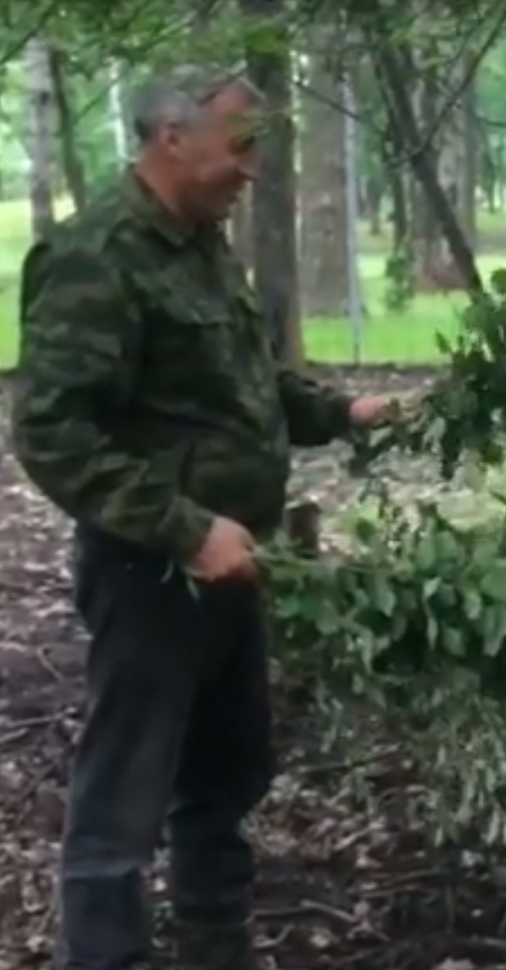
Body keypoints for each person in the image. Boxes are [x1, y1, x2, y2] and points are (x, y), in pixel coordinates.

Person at [9, 64, 397, 970]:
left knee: (227, 771)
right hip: (153, 571)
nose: (251, 169)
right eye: (240, 145)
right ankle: (102, 956)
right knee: (126, 786)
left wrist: (342, 416)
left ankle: (216, 942)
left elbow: (246, 388)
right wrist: (186, 529)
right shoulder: (97, 255)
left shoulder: (203, 246)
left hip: (238, 561)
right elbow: (53, 433)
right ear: (170, 137)